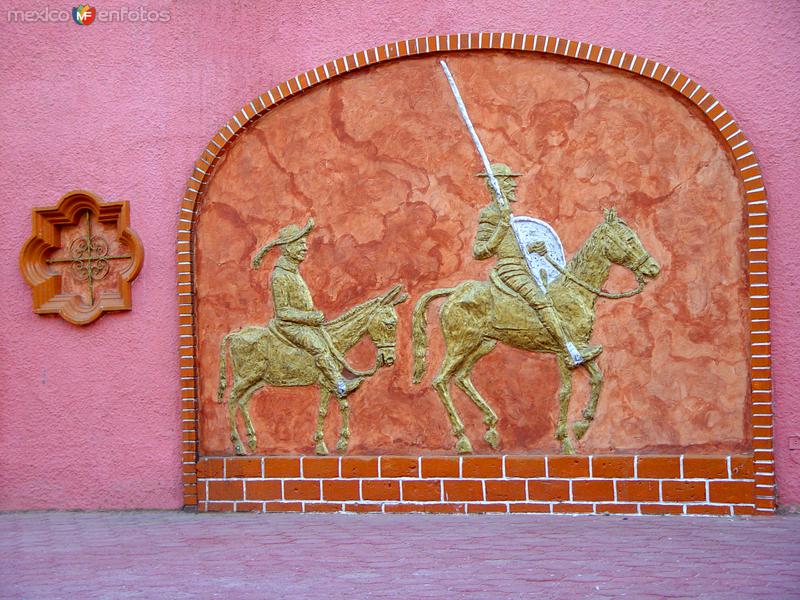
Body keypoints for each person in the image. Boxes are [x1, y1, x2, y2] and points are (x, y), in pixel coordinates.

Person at [472, 163, 602, 367]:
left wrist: (534, 247)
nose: (513, 185)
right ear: (495, 185)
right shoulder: (491, 214)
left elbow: (513, 245)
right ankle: (570, 351)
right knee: (541, 301)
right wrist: (502, 225)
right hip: (510, 269)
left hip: (526, 266)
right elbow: (479, 251)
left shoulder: (506, 211)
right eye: (507, 182)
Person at [252, 218, 362, 397]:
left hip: (304, 324)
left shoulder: (293, 272)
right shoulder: (280, 275)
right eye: (300, 244)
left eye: (305, 244)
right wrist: (309, 318)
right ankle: (340, 386)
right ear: (288, 248)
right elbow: (282, 312)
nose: (305, 248)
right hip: (289, 326)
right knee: (318, 347)